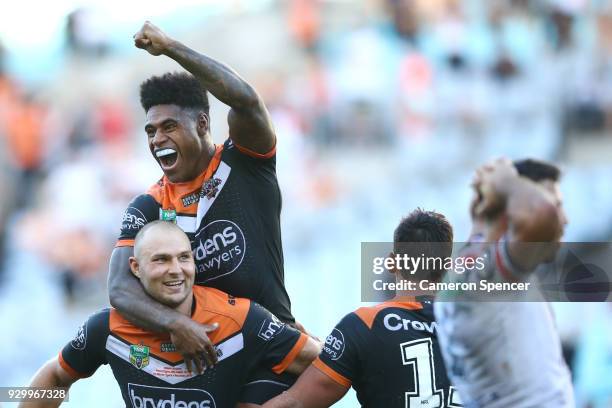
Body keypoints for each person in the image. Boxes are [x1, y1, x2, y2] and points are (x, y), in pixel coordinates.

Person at [108, 21, 300, 402]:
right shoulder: (148, 205)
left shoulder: (245, 161)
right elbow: (119, 288)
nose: (157, 139)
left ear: (201, 124)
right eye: (150, 131)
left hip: (270, 349)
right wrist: (175, 323)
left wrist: (171, 47)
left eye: (168, 126)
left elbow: (245, 100)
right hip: (206, 360)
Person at [23, 221, 319, 408]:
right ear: (136, 268)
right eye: (161, 260)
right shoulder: (107, 327)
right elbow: (56, 376)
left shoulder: (240, 319)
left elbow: (326, 363)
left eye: (184, 258)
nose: (176, 269)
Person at [262, 209, 463, 407]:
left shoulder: (363, 326)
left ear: (392, 262)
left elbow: (294, 403)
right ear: (448, 266)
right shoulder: (480, 327)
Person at [434, 158, 574, 407]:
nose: (564, 219)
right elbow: (543, 217)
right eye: (557, 205)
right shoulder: (487, 277)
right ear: (515, 213)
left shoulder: (476, 267)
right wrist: (508, 183)